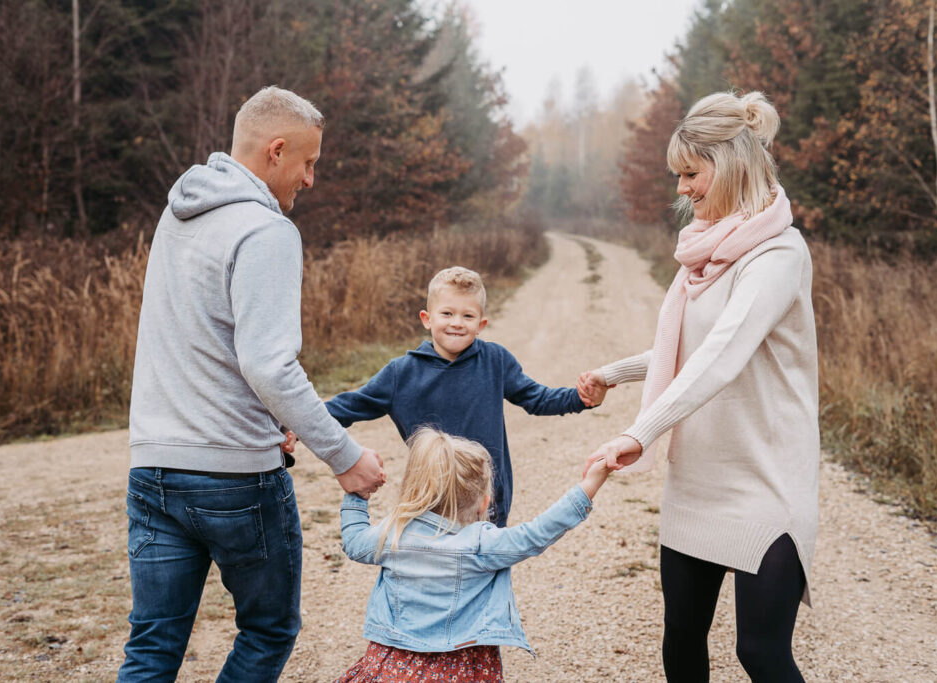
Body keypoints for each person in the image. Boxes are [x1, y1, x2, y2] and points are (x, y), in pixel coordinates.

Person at [119, 86, 386, 682]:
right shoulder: (266, 231)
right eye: (309, 163)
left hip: (152, 469)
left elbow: (203, 342)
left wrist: (276, 419)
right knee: (268, 630)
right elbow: (268, 365)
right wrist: (344, 456)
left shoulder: (178, 212)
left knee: (153, 649)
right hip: (235, 481)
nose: (311, 179)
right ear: (276, 150)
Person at [579, 91, 818, 682]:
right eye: (678, 175)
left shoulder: (777, 255)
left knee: (760, 653)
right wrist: (614, 373)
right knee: (681, 642)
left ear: (732, 162)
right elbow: (681, 346)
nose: (681, 189)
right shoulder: (706, 254)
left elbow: (721, 355)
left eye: (691, 173)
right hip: (698, 481)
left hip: (766, 482)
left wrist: (641, 431)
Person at [290, 265, 605, 528]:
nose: (457, 323)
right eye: (447, 313)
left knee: (484, 576)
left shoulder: (495, 361)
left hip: (486, 500)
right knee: (433, 580)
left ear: (481, 324)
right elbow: (347, 407)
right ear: (427, 319)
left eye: (468, 317)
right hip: (429, 501)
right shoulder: (402, 373)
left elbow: (538, 398)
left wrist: (580, 398)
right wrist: (294, 424)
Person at [336, 427, 611, 682]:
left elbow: (354, 541)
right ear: (483, 502)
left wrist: (357, 494)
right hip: (460, 669)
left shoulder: (393, 534)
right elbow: (537, 533)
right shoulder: (480, 543)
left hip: (393, 668)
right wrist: (589, 486)